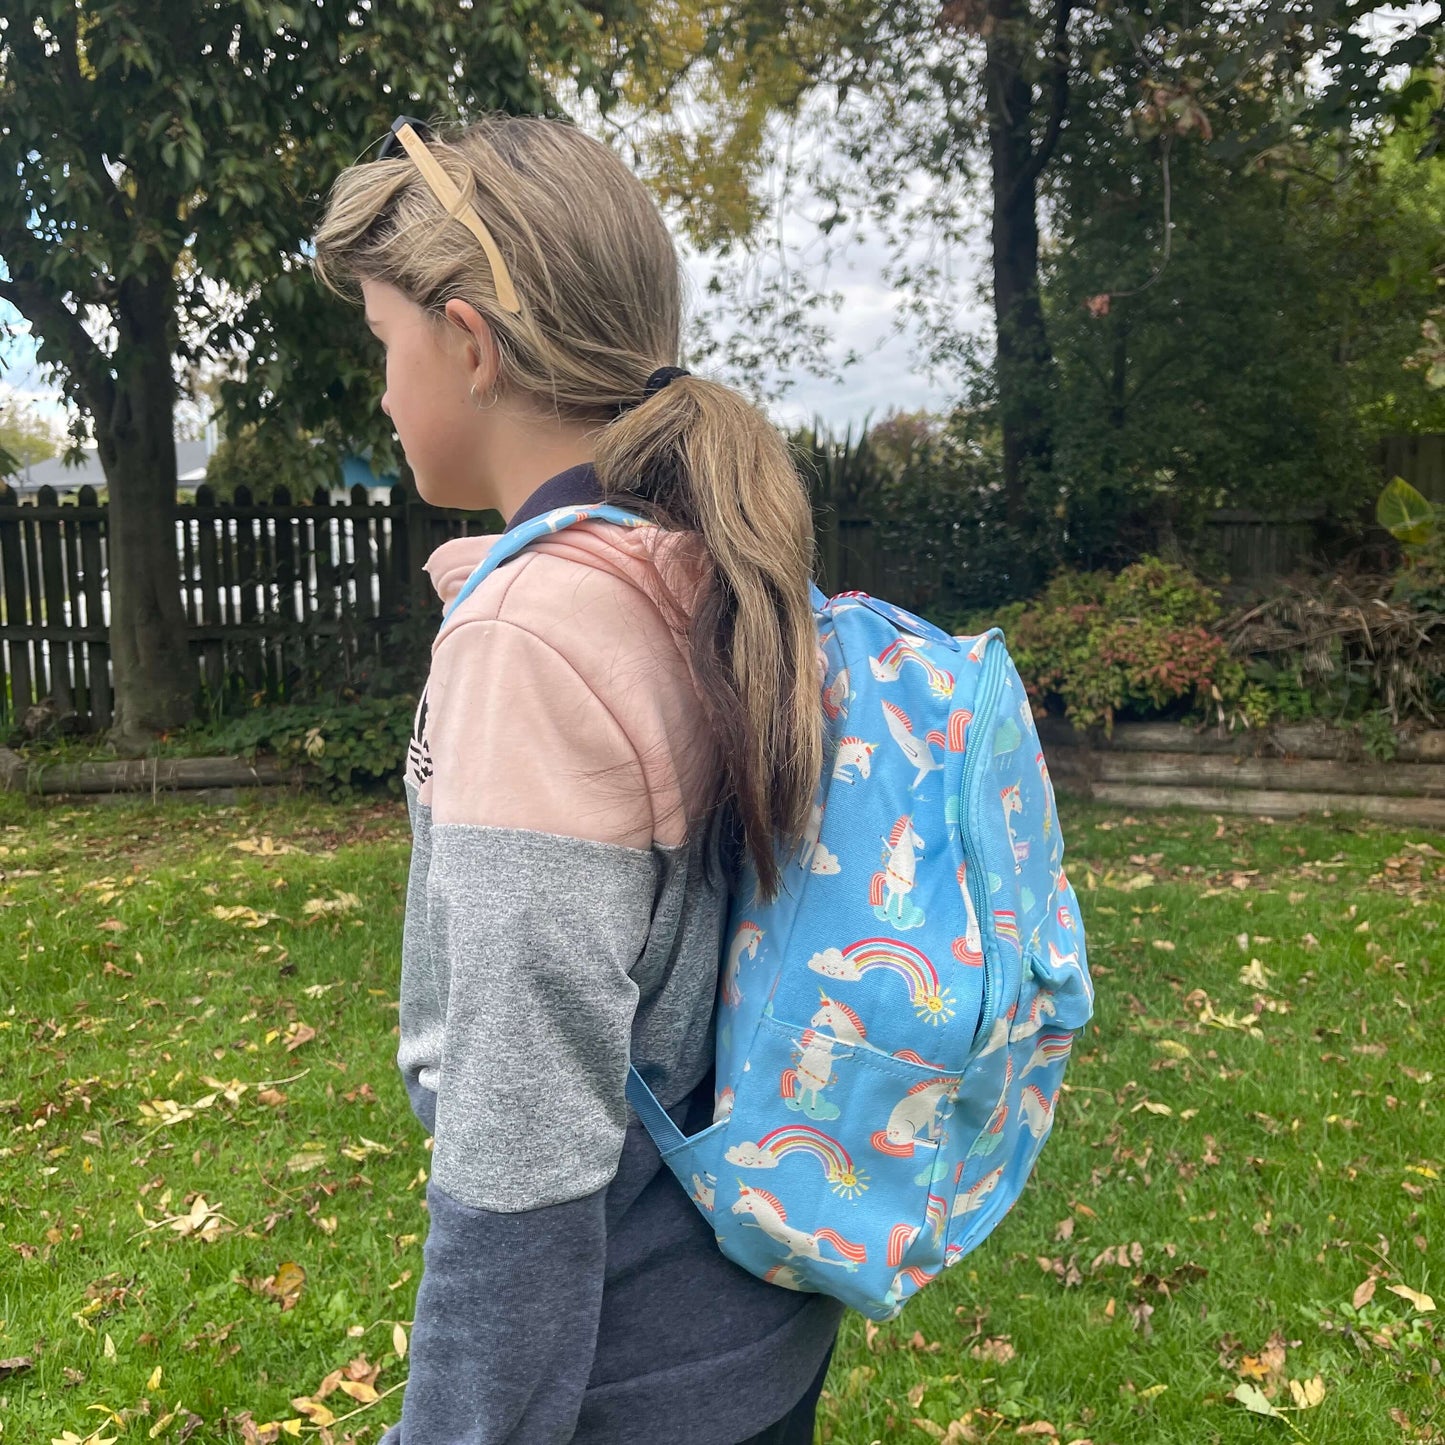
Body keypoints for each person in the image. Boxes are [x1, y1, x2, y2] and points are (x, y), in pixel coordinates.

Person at [310, 113, 846, 1445]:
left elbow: (521, 1157)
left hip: (616, 1386)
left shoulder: (536, 639)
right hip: (755, 1343)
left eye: (386, 344)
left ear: (471, 344)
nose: (381, 392)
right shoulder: (693, 575)